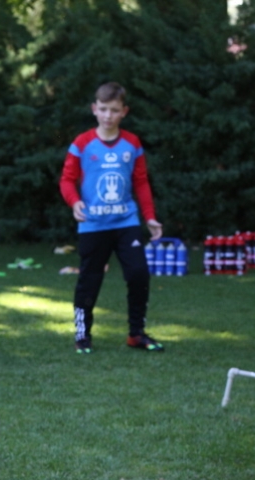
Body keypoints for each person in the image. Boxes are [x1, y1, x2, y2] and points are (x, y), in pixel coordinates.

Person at [58, 81, 164, 355]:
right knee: (89, 280)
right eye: (103, 109)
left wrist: (149, 217)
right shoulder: (82, 143)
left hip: (126, 222)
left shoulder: (132, 143)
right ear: (94, 109)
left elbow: (141, 182)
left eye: (114, 110)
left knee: (139, 273)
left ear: (123, 112)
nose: (108, 115)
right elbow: (67, 180)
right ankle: (83, 334)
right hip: (93, 225)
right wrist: (75, 201)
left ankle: (136, 333)